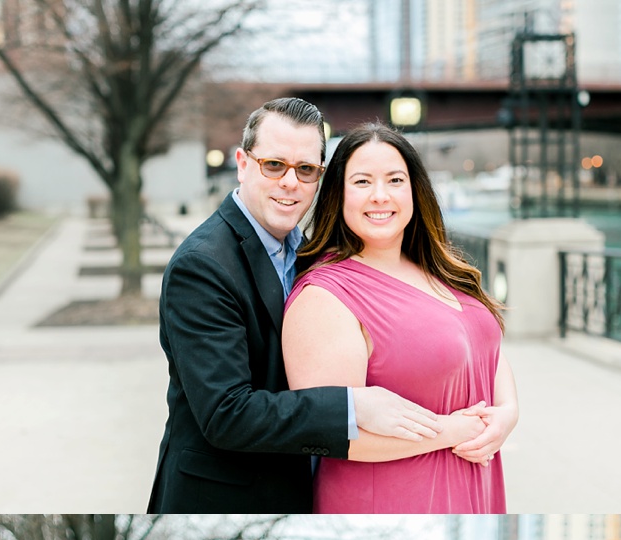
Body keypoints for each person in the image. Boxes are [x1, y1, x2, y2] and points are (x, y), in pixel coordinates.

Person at [148, 98, 444, 512]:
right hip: (224, 499)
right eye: (274, 165)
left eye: (306, 170)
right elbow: (226, 414)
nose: (291, 182)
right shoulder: (201, 266)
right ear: (243, 163)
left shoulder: (306, 253)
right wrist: (353, 405)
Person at [282, 124, 519, 513]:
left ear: (414, 189)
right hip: (391, 498)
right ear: (338, 194)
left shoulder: (441, 269)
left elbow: (485, 347)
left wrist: (508, 412)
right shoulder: (325, 296)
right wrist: (453, 431)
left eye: (395, 179)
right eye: (362, 182)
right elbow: (328, 431)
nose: (381, 196)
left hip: (473, 483)